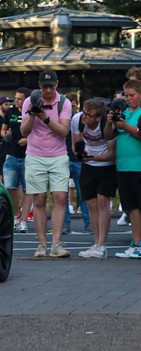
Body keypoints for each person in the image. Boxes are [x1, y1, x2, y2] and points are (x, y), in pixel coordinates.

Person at [20, 69, 72, 258]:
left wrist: (45, 117)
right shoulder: (29, 101)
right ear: (39, 86)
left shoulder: (64, 103)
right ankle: (42, 244)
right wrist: (33, 115)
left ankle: (56, 243)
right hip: (35, 155)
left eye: (51, 86)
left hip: (58, 155)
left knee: (59, 196)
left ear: (57, 85)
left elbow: (64, 132)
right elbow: (24, 132)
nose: (48, 91)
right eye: (44, 87)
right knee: (39, 199)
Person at [71, 98, 117, 259]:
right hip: (89, 163)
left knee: (103, 200)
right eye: (83, 112)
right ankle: (96, 243)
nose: (84, 117)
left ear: (98, 117)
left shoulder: (106, 122)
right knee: (90, 203)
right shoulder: (77, 119)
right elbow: (75, 144)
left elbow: (112, 153)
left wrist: (93, 158)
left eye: (88, 115)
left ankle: (102, 245)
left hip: (107, 164)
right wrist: (81, 156)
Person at [105, 79, 141, 258]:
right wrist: (109, 121)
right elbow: (108, 135)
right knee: (131, 208)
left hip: (138, 166)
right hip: (123, 166)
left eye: (132, 95)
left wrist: (126, 126)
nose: (128, 99)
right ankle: (135, 244)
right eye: (126, 95)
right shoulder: (123, 111)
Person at [1, 87, 32, 233]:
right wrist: (5, 134)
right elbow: (3, 130)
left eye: (19, 98)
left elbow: (39, 132)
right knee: (10, 188)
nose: (16, 101)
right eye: (16, 98)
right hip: (11, 154)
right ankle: (15, 217)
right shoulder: (10, 112)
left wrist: (28, 139)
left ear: (27, 100)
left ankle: (24, 221)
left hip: (28, 156)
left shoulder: (32, 112)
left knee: (28, 190)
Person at [63, 92, 91, 235]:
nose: (71, 109)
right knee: (63, 194)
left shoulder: (81, 118)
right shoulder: (63, 118)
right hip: (64, 158)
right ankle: (66, 224)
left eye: (73, 106)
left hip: (76, 159)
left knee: (83, 193)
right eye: (69, 106)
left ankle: (88, 223)